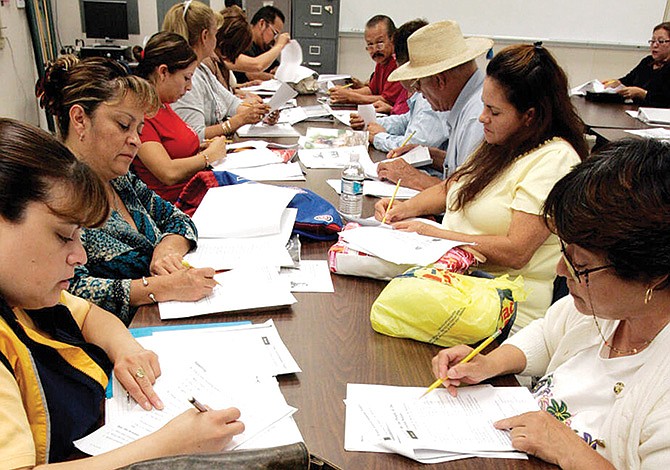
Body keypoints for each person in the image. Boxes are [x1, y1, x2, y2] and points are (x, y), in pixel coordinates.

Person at [0, 118, 243, 468]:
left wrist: (125, 348)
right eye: (63, 236)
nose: (79, 256)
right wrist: (171, 444)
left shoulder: (23, 288)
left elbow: (86, 313)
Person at [432, 139, 670, 469]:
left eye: (581, 265)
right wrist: (489, 363)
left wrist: (568, 450)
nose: (561, 271)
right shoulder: (606, 312)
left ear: (655, 275)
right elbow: (548, 335)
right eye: (565, 253)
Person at [376, 43, 588, 330]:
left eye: (494, 111)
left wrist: (436, 236)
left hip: (501, 307)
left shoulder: (555, 160)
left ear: (530, 115)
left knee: (384, 314)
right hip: (457, 284)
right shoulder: (502, 142)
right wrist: (402, 209)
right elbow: (453, 186)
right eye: (484, 105)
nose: (482, 117)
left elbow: (516, 251)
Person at [36, 55, 217, 325]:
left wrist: (166, 251)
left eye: (139, 129)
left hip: (164, 317)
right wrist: (159, 288)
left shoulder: (119, 179)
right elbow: (67, 291)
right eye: (123, 125)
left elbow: (178, 219)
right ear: (79, 120)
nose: (135, 140)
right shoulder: (53, 198)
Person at [376, 20, 491, 191]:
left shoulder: (477, 118)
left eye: (419, 84)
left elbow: (466, 195)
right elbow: (462, 168)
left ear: (439, 80)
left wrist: (415, 178)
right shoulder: (468, 102)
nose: (420, 92)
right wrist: (431, 155)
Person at [133, 32, 228, 203]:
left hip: (195, 194)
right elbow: (168, 172)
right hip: (177, 205)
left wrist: (202, 147)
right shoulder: (142, 115)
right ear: (163, 72)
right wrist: (208, 156)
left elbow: (174, 147)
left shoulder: (163, 105)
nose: (189, 87)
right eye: (186, 78)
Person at [350, 19, 450, 172]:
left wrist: (379, 137)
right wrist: (371, 123)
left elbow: (413, 149)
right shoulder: (422, 90)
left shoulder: (432, 94)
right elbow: (407, 120)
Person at [164, 0, 269, 141]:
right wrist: (238, 121)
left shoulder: (202, 70)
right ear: (205, 36)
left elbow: (231, 102)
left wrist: (260, 113)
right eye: (215, 34)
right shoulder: (188, 79)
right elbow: (196, 135)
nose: (216, 39)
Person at [329, 15, 408, 114]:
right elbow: (372, 90)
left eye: (380, 43)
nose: (375, 50)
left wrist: (350, 96)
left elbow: (385, 100)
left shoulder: (398, 62)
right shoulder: (382, 60)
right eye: (370, 44)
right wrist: (343, 93)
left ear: (392, 39)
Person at [604, 22, 670, 107]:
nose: (654, 45)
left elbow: (666, 100)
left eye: (661, 41)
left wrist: (643, 94)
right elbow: (628, 80)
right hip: (634, 112)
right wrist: (616, 83)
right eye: (652, 41)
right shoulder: (647, 61)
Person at [231, 5, 291, 83]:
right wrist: (279, 45)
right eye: (275, 33)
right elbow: (253, 71)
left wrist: (277, 69)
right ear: (262, 24)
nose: (274, 38)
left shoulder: (263, 46)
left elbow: (274, 64)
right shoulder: (242, 42)